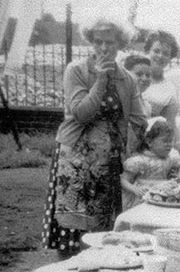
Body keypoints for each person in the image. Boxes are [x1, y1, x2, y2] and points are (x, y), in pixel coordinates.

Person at [41, 17, 147, 256]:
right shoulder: (76, 70)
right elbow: (80, 114)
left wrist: (126, 151)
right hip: (75, 159)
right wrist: (100, 80)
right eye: (97, 41)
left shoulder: (127, 79)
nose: (103, 48)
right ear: (90, 41)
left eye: (109, 42)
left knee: (103, 233)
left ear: (120, 43)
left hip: (108, 163)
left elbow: (139, 121)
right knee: (72, 231)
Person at [120, 118, 180, 210]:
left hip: (163, 193)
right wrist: (134, 189)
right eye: (165, 141)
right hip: (143, 196)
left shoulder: (170, 158)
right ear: (149, 142)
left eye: (171, 141)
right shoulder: (139, 161)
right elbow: (123, 180)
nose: (169, 144)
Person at [142, 30, 180, 127]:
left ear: (170, 58)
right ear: (147, 51)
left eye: (166, 54)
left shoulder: (170, 90)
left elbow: (168, 126)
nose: (160, 56)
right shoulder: (130, 74)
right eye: (156, 51)